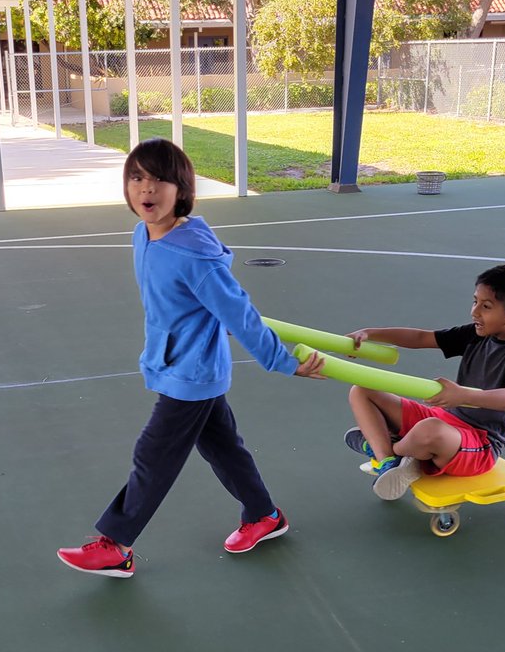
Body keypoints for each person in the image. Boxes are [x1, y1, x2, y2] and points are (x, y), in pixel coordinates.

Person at [58, 137, 322, 578]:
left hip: (193, 373)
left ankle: (116, 545)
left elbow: (240, 313)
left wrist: (283, 360)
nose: (147, 189)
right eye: (137, 177)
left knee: (154, 452)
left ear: (181, 189)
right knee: (222, 446)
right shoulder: (143, 234)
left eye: (160, 179)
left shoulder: (195, 257)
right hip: (176, 363)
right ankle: (264, 515)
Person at [344, 264, 505, 501]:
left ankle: (385, 447)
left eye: (486, 306)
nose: (475, 312)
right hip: (445, 421)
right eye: (475, 301)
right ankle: (390, 460)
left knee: (429, 430)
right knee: (362, 390)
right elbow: (421, 337)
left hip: (480, 443)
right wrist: (369, 333)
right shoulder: (474, 334)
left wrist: (463, 396)